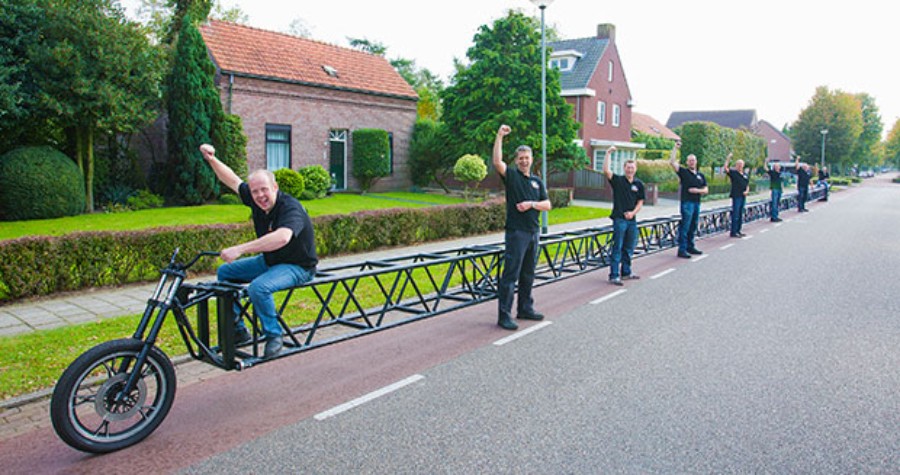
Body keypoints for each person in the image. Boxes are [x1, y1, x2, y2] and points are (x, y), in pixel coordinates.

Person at [199, 143, 318, 358]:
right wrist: (211, 159)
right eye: (255, 191)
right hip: (271, 261)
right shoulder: (256, 200)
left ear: (275, 187)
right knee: (225, 273)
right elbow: (232, 180)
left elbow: (282, 237)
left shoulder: (290, 207)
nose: (260, 195)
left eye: (264, 190)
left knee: (259, 288)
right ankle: (238, 329)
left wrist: (240, 249)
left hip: (298, 266)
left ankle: (274, 336)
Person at [492, 124, 552, 331]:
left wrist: (531, 204)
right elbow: (497, 161)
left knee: (528, 273)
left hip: (533, 232)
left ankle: (525, 308)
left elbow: (547, 205)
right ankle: (504, 315)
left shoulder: (537, 182)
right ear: (516, 161)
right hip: (516, 233)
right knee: (511, 274)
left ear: (531, 159)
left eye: (527, 158)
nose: (524, 161)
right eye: (520, 158)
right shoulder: (511, 176)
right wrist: (500, 136)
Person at [602, 145, 644, 285]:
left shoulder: (639, 184)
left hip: (632, 220)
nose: (630, 170)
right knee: (618, 247)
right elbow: (606, 171)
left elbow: (640, 201)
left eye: (632, 168)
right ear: (624, 168)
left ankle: (626, 272)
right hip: (620, 219)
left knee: (629, 247)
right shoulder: (618, 181)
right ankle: (614, 275)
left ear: (635, 169)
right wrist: (608, 154)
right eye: (628, 167)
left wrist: (633, 213)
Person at [669, 143, 709, 258]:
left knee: (693, 225)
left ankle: (690, 246)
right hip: (687, 203)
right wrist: (675, 148)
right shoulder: (684, 172)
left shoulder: (700, 175)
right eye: (690, 160)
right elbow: (672, 162)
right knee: (685, 226)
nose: (692, 162)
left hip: (697, 202)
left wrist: (697, 191)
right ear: (687, 162)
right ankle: (682, 249)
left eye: (693, 160)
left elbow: (706, 189)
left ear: (696, 162)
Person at [722, 152, 750, 237]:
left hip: (743, 196)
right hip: (736, 195)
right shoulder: (733, 173)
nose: (740, 166)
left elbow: (747, 184)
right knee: (736, 214)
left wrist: (747, 191)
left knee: (741, 213)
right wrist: (728, 158)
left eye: (741, 164)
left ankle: (738, 230)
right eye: (738, 164)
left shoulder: (745, 174)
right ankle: (733, 232)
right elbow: (726, 168)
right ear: (736, 165)